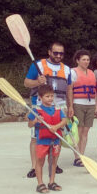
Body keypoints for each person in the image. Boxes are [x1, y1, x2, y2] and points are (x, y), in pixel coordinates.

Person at [24, 42, 72, 178]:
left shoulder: (67, 69)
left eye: (61, 53)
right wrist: (37, 82)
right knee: (35, 137)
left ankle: (53, 164)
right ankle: (34, 166)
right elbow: (26, 83)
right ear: (49, 52)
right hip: (40, 105)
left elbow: (69, 89)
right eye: (55, 52)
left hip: (59, 106)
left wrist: (70, 107)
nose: (58, 55)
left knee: (56, 136)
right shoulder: (38, 65)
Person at [27, 84, 67, 193]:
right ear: (40, 97)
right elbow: (29, 125)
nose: (50, 98)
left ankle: (51, 182)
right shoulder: (36, 110)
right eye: (47, 96)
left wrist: (56, 127)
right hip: (42, 140)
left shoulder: (57, 108)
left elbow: (64, 120)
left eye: (51, 96)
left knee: (53, 161)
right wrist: (35, 121)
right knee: (40, 162)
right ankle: (40, 184)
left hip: (55, 140)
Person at [68, 49, 97, 167]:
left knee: (85, 131)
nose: (86, 62)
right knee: (78, 131)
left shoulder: (92, 73)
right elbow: (69, 89)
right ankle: (77, 157)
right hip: (78, 103)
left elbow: (95, 90)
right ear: (77, 60)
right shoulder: (73, 72)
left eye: (88, 59)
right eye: (83, 59)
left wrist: (96, 106)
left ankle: (82, 156)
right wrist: (70, 106)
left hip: (90, 104)